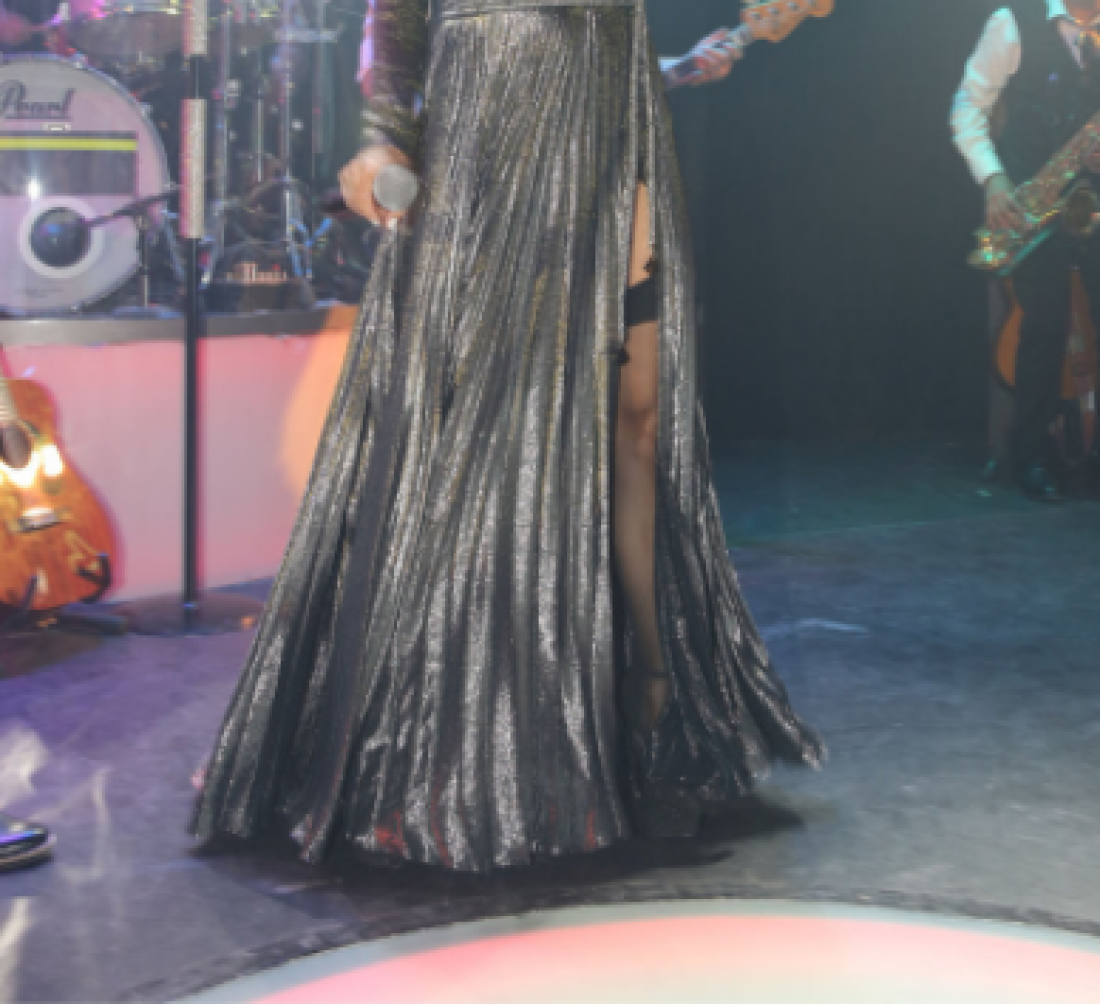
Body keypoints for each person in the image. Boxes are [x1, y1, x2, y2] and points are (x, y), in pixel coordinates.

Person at [192, 0, 823, 873]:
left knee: (642, 418)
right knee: (488, 439)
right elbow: (396, 20)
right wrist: (384, 136)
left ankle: (655, 719)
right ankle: (466, 746)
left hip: (613, 113)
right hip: (489, 130)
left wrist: (713, 43)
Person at [952, 0, 1100, 501]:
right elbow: (966, 107)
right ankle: (1031, 454)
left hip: (1094, 199)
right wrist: (993, 180)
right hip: (1030, 203)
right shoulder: (1012, 22)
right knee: (1044, 327)